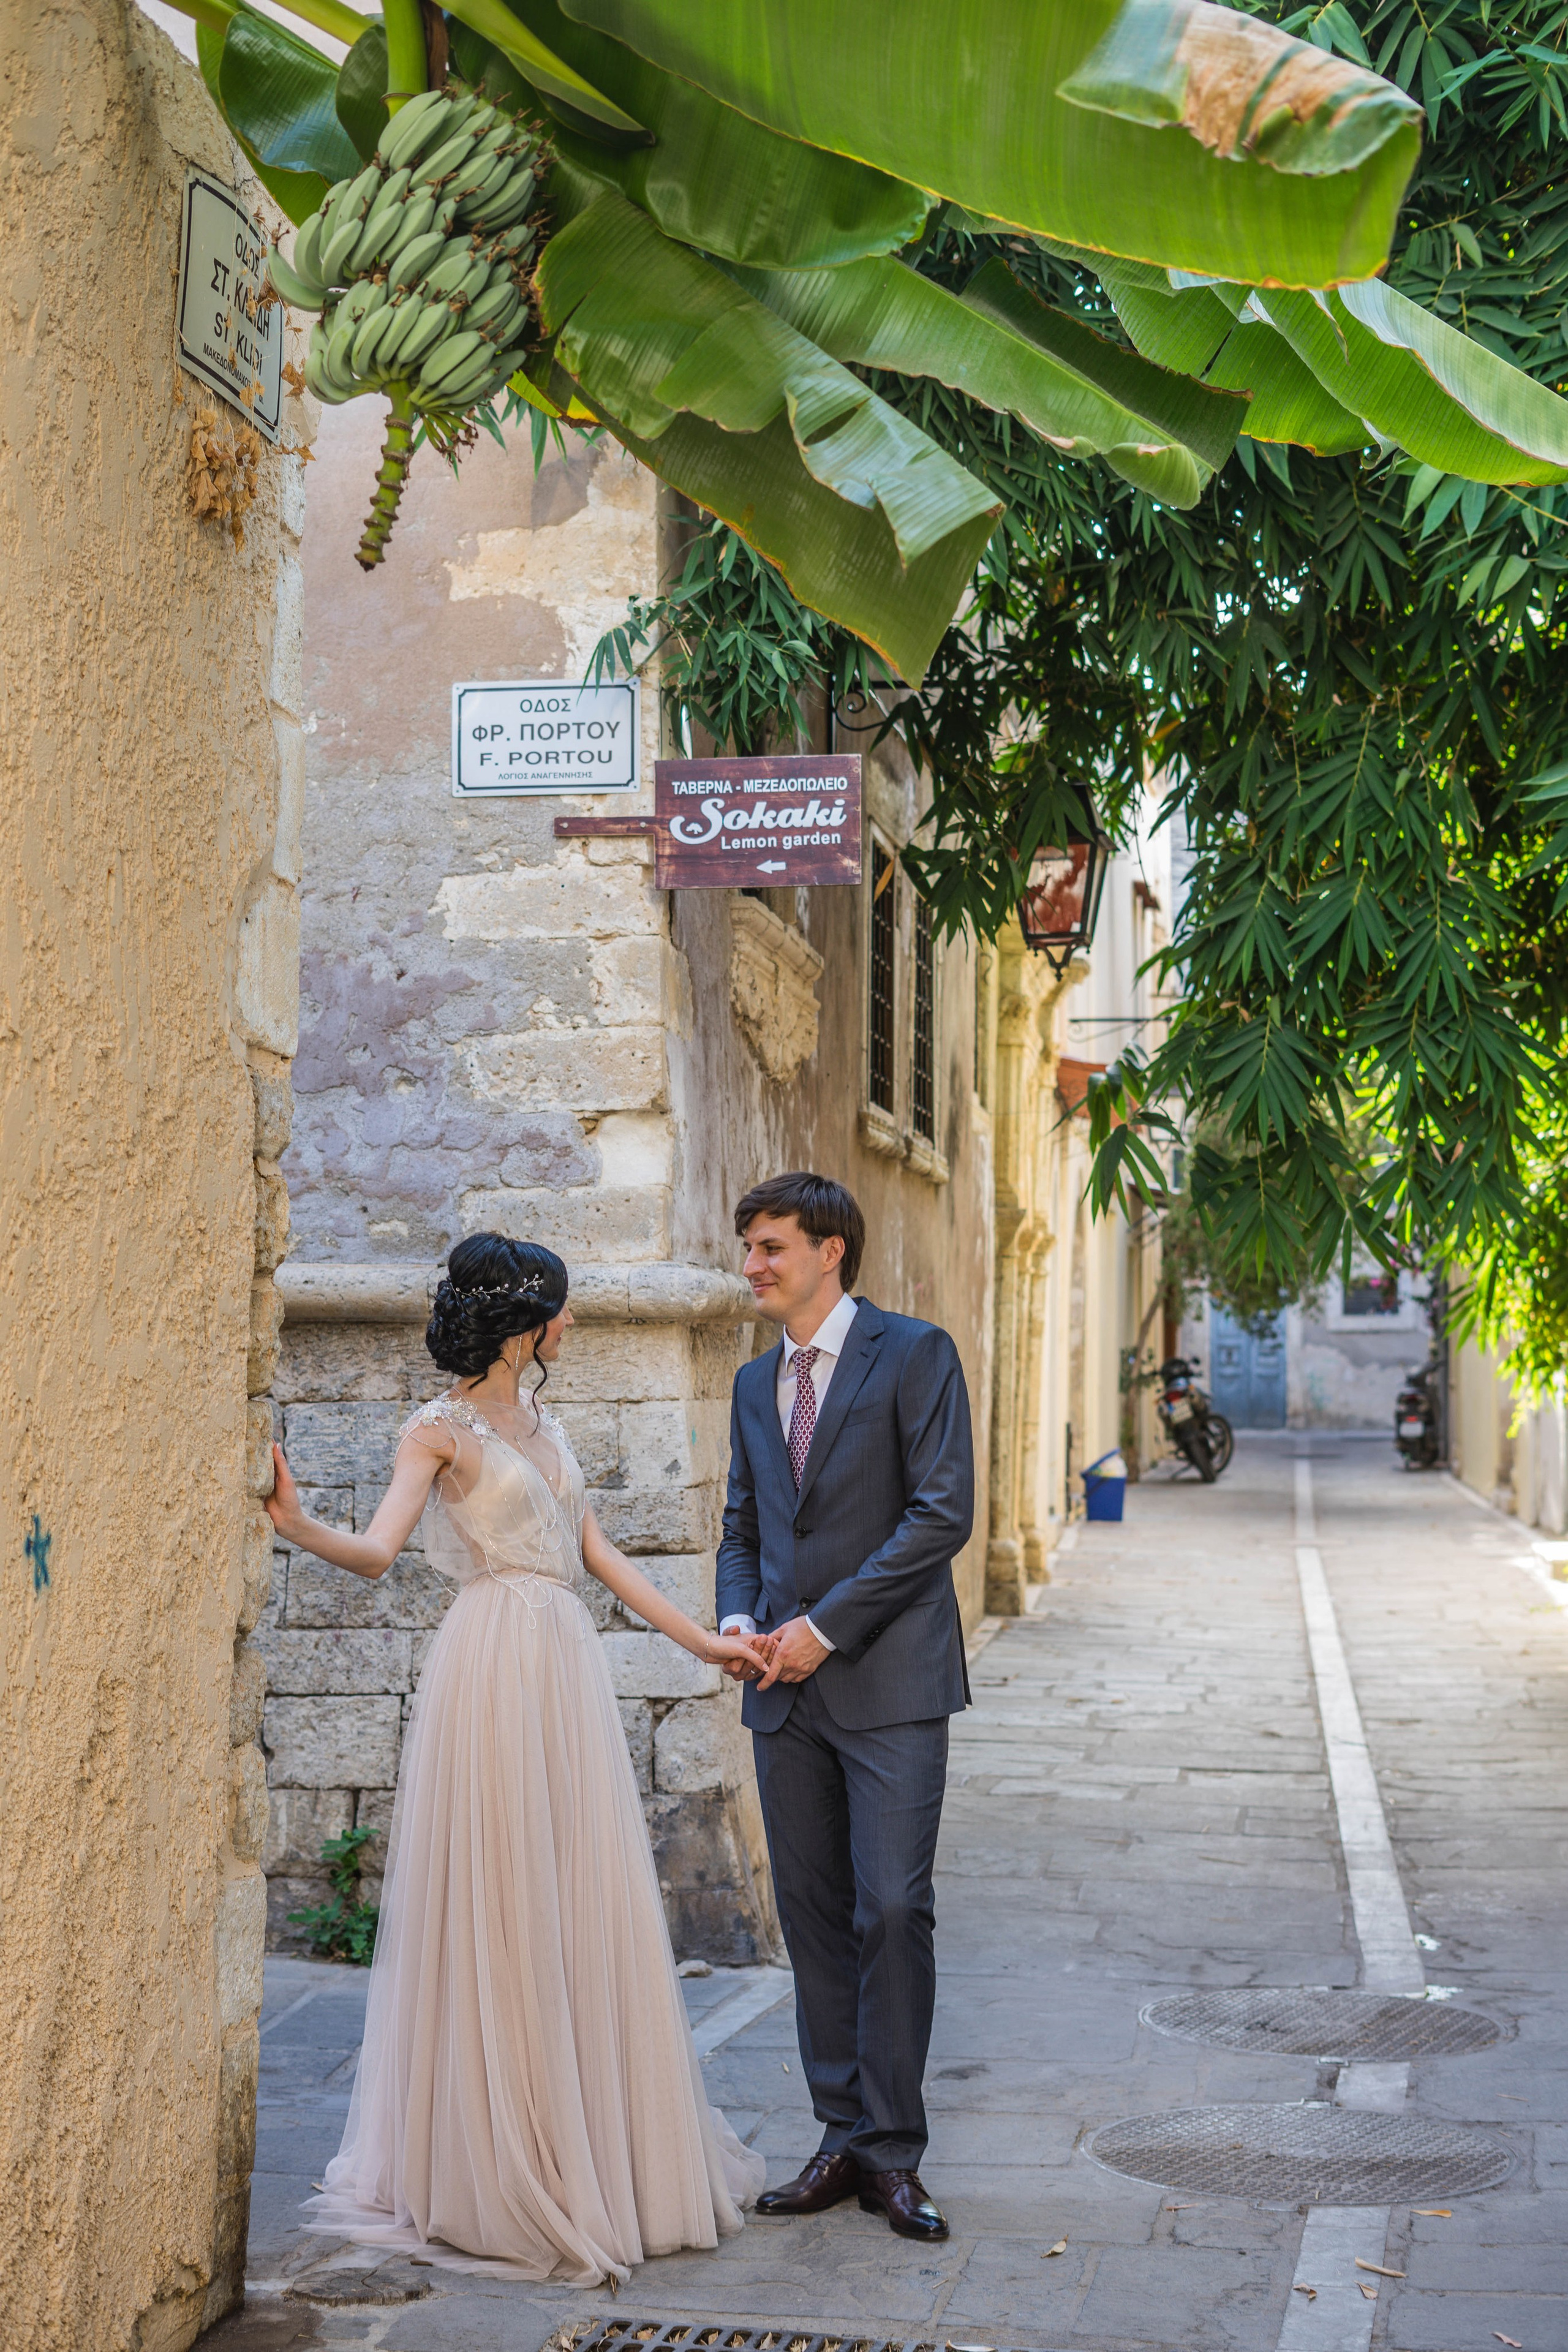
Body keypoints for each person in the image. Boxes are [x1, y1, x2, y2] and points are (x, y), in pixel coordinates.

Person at [264, 1232, 769, 2287]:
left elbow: (598, 1552)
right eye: (565, 1308)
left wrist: (704, 1642)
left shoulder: (544, 1421)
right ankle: (499, 2161)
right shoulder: (435, 1432)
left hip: (564, 1670)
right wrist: (297, 1521)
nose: (574, 1324)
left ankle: (590, 2140)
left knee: (576, 1896)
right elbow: (377, 1552)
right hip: (491, 1665)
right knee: (501, 1894)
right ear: (525, 1319)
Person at [715, 1172, 974, 2242]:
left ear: (830, 1250)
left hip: (890, 1683)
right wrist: (738, 1623)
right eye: (749, 1248)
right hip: (782, 1693)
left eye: (771, 1246)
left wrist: (823, 1627)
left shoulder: (916, 1354)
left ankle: (893, 2153)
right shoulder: (749, 1383)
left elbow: (941, 1513)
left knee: (892, 1909)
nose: (753, 1266)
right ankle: (837, 2135)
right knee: (816, 1921)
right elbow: (742, 1523)